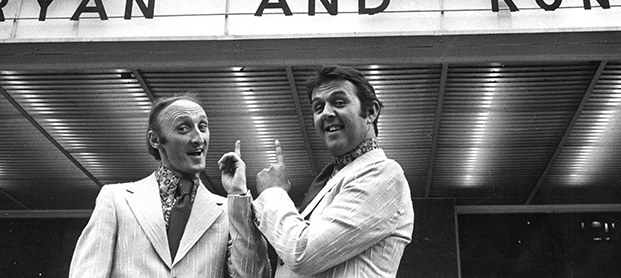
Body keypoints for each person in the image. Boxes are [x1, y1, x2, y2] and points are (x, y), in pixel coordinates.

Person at [69, 93, 270, 278]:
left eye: (202, 127)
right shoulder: (116, 198)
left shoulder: (229, 210)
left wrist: (238, 195)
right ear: (155, 139)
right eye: (183, 128)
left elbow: (253, 275)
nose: (198, 138)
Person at [249, 65, 414, 277]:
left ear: (371, 112)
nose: (326, 113)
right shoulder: (333, 178)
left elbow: (302, 253)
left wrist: (273, 193)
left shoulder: (384, 173)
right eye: (318, 107)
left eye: (339, 102)